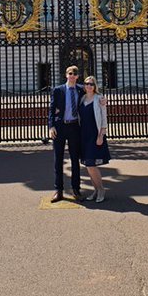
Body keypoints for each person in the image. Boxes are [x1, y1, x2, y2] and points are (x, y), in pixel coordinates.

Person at [48, 65, 85, 202]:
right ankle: (58, 190)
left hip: (74, 127)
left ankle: (76, 189)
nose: (72, 75)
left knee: (75, 159)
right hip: (60, 127)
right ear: (66, 75)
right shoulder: (58, 90)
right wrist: (51, 126)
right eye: (70, 73)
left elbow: (94, 93)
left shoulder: (81, 90)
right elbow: (51, 109)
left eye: (75, 73)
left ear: (77, 76)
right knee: (58, 160)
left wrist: (102, 101)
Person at [79, 76, 111, 202]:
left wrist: (101, 135)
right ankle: (96, 190)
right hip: (83, 135)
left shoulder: (99, 98)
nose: (89, 86)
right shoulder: (82, 98)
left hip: (94, 134)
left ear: (95, 86)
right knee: (88, 165)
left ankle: (101, 189)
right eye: (86, 83)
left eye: (91, 84)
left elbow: (104, 118)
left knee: (92, 165)